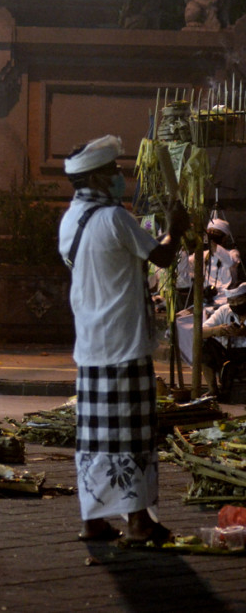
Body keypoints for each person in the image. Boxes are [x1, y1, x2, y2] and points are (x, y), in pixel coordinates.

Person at [58, 134, 188, 545]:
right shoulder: (114, 218)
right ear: (96, 178)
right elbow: (162, 256)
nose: (119, 177)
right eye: (113, 171)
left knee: (96, 437)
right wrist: (177, 229)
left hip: (91, 345)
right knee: (131, 435)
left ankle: (93, 520)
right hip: (124, 344)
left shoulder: (70, 220)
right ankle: (137, 522)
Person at [200, 285, 246, 396]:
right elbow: (200, 331)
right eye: (232, 301)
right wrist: (216, 330)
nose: (235, 304)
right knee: (203, 345)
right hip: (227, 353)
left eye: (239, 300)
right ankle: (212, 390)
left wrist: (242, 332)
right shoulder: (224, 310)